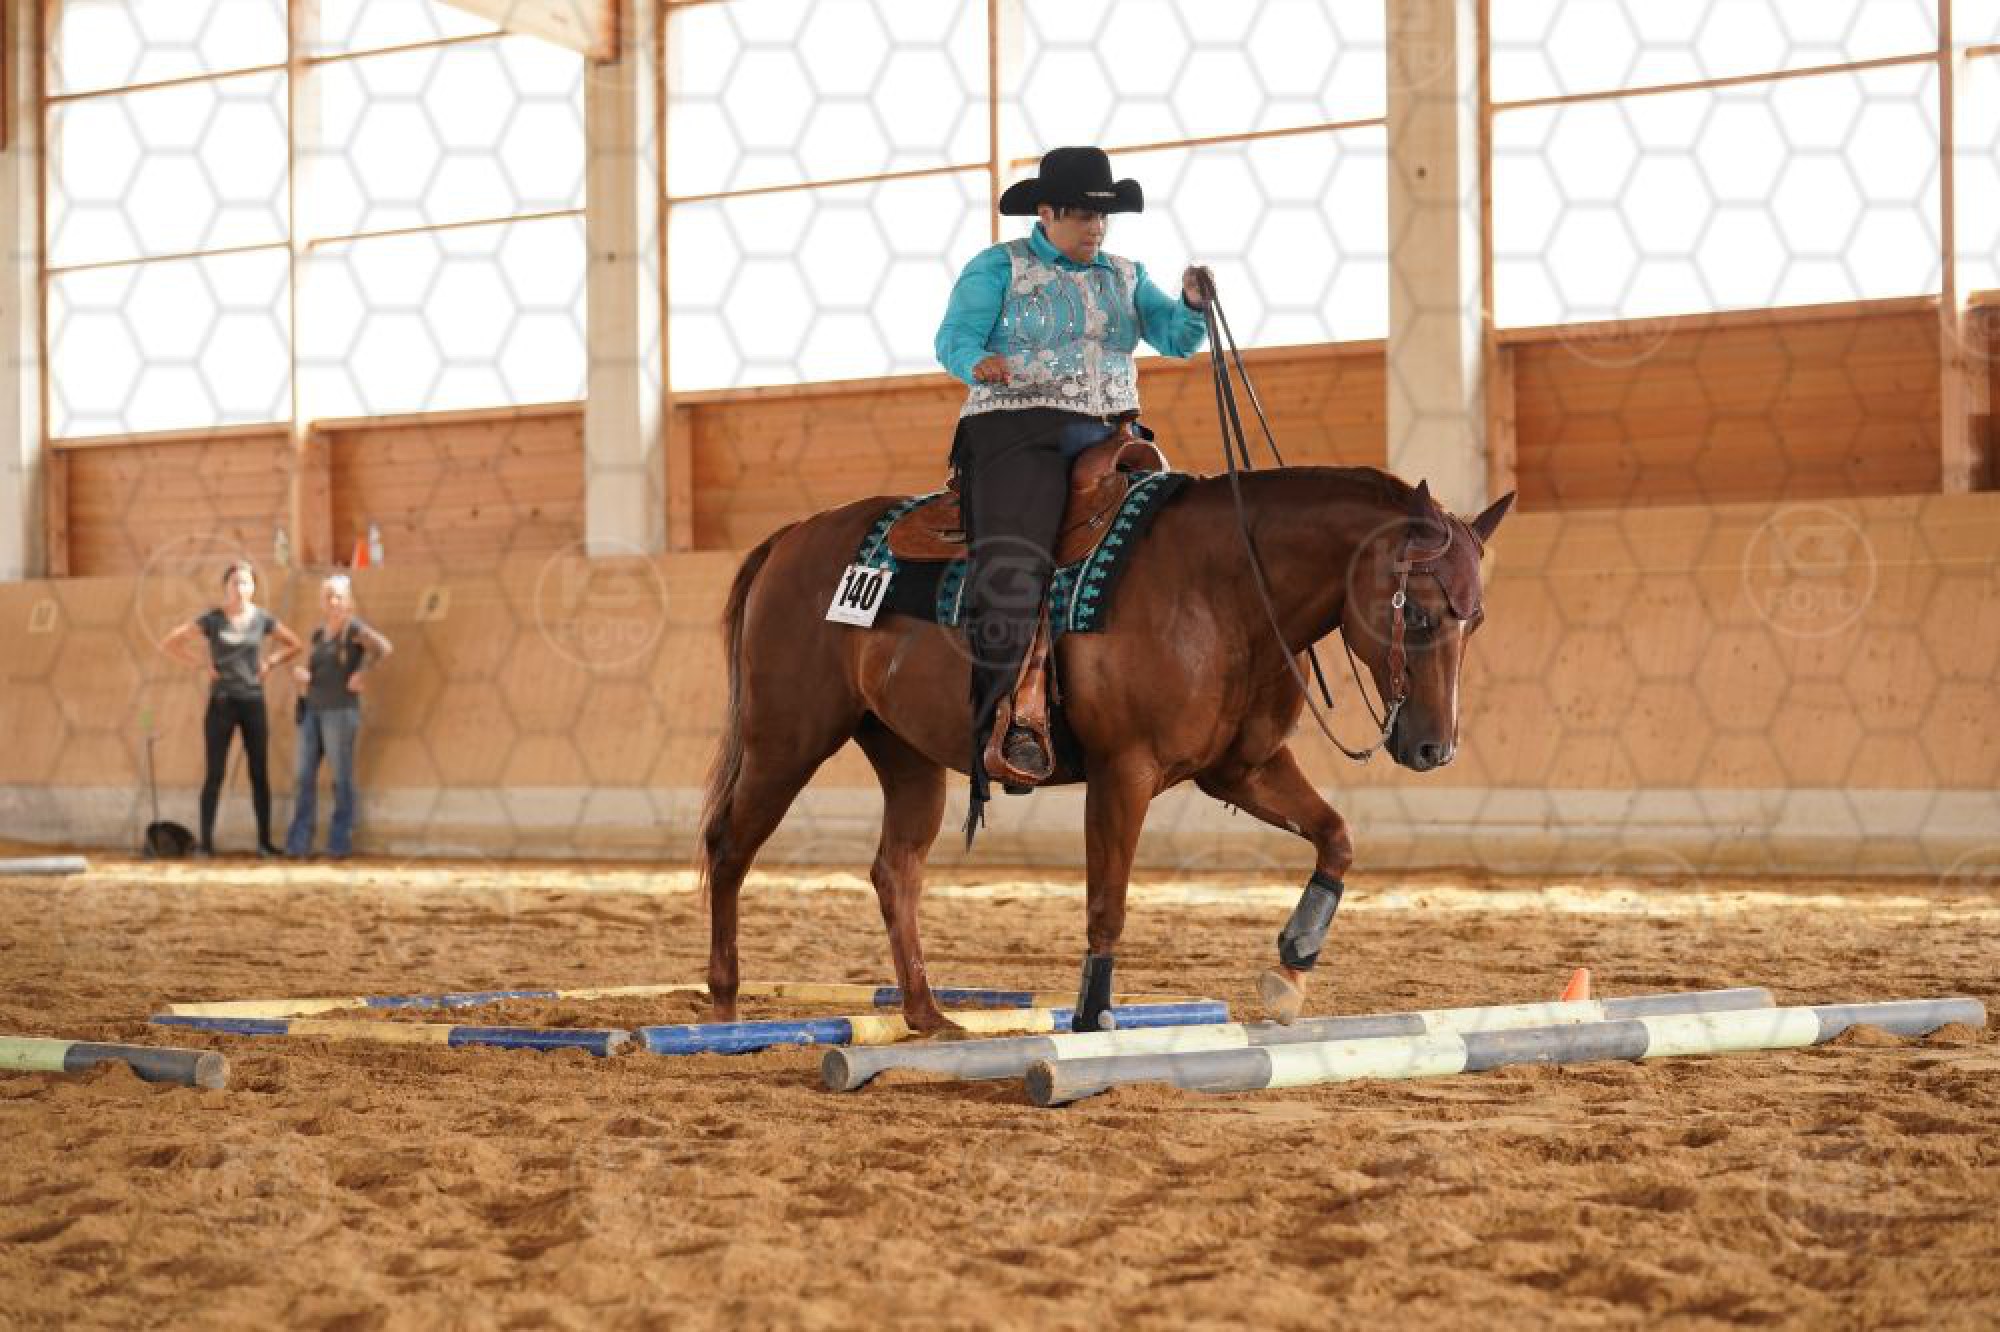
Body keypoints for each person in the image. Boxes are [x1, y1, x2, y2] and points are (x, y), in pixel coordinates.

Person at [933, 144, 1211, 832]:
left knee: (1173, 538)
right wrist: (979, 362)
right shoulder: (999, 267)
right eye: (1084, 215)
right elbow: (953, 337)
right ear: (1047, 212)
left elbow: (1175, 338)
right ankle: (1007, 718)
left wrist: (1191, 304)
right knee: (1017, 555)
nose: (1097, 228)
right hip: (1015, 428)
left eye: (1103, 217)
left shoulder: (1126, 275)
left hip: (1110, 433)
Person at [160, 561, 303, 857]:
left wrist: (270, 662)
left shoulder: (262, 619)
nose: (240, 588)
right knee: (215, 774)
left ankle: (264, 843)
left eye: (246, 582)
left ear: (254, 588)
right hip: (222, 703)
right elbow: (171, 643)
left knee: (259, 774)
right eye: (235, 582)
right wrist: (202, 664)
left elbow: (295, 644)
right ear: (226, 587)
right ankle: (206, 845)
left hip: (252, 701)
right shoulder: (213, 620)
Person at [284, 574, 393, 859]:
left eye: (339, 596)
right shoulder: (318, 634)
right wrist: (304, 676)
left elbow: (383, 647)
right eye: (328, 596)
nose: (333, 601)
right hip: (312, 710)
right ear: (322, 601)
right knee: (304, 776)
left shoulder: (353, 629)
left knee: (340, 776)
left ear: (348, 601)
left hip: (340, 712)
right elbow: (317, 670)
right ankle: (299, 843)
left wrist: (362, 672)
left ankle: (339, 842)